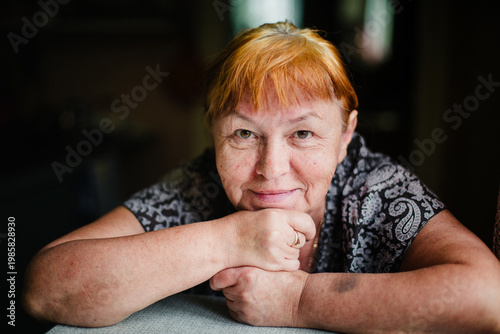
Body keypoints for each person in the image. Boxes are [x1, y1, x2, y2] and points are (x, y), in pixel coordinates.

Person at [23, 21, 500, 333]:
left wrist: (300, 301)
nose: (271, 168)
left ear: (346, 135)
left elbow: (487, 298)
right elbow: (45, 289)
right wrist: (231, 240)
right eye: (245, 133)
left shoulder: (377, 190)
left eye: (305, 133)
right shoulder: (194, 186)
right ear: (213, 133)